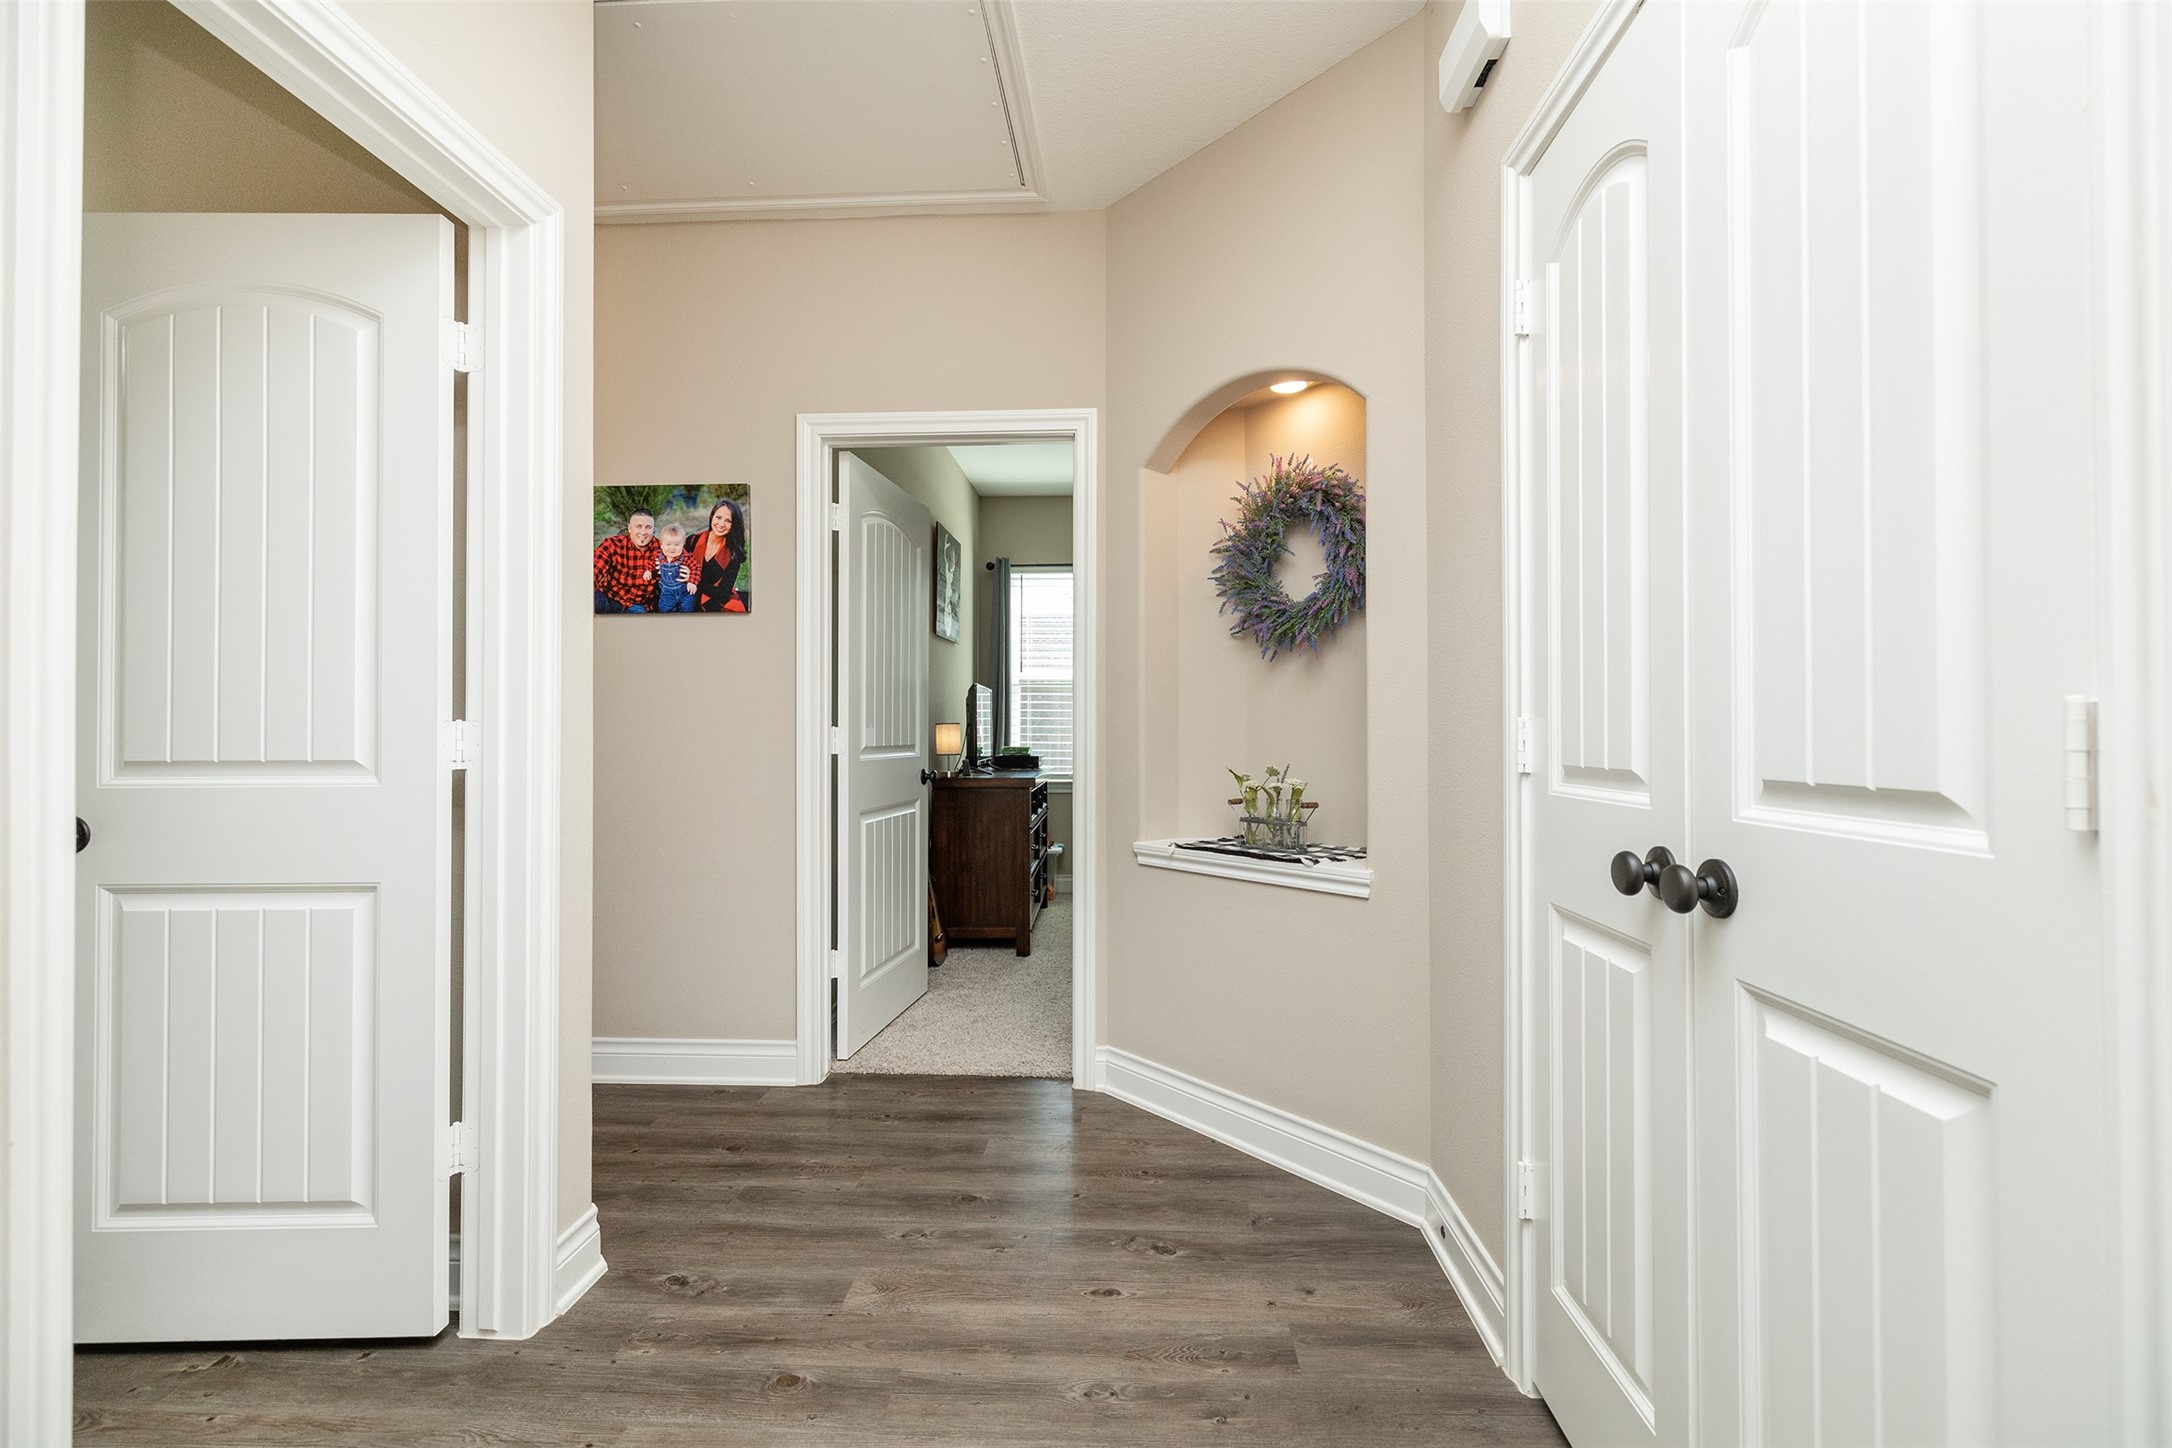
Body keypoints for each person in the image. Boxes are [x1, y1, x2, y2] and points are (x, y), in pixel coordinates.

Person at [685, 497, 749, 613]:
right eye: (718, 517)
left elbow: (723, 595)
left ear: (734, 524)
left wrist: (693, 579)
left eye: (728, 521)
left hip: (713, 601)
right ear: (712, 517)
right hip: (685, 595)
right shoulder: (692, 540)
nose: (721, 524)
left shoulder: (733, 554)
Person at [593, 508, 660, 613]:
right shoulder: (613, 544)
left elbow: (684, 559)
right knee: (591, 603)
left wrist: (689, 574)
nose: (643, 532)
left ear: (653, 530)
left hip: (636, 604)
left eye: (648, 527)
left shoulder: (662, 549)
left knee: (639, 617)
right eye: (638, 526)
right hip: (609, 597)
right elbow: (594, 570)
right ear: (630, 529)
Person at [653, 523, 697, 613]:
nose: (672, 548)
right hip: (667, 593)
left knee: (687, 609)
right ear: (661, 545)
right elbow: (650, 563)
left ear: (683, 545)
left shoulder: (686, 558)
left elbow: (696, 568)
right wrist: (648, 571)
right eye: (668, 544)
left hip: (685, 593)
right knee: (665, 609)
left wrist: (692, 582)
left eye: (677, 545)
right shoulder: (659, 556)